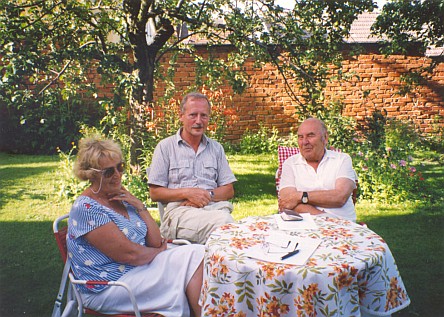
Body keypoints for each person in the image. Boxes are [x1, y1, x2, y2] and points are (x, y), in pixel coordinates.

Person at [67, 136, 204, 317]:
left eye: (120, 167)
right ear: (92, 174)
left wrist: (139, 206)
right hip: (109, 286)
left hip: (139, 270)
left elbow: (155, 242)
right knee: (194, 256)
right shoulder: (87, 209)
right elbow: (131, 255)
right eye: (108, 172)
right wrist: (159, 252)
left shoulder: (120, 196)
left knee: (199, 254)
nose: (117, 175)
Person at [148, 92, 237, 244]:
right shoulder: (165, 147)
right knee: (225, 227)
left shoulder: (216, 148)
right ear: (181, 116)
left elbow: (229, 190)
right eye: (193, 115)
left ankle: (206, 265)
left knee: (228, 229)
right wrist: (188, 193)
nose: (198, 121)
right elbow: (155, 193)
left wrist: (203, 196)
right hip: (180, 212)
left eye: (203, 115)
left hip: (214, 208)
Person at [278, 117, 357, 222]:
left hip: (345, 226)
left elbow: (340, 197)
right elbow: (287, 202)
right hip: (306, 226)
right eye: (300, 137)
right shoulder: (290, 163)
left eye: (310, 135)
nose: (305, 142)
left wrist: (299, 196)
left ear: (325, 138)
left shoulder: (342, 159)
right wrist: (326, 219)